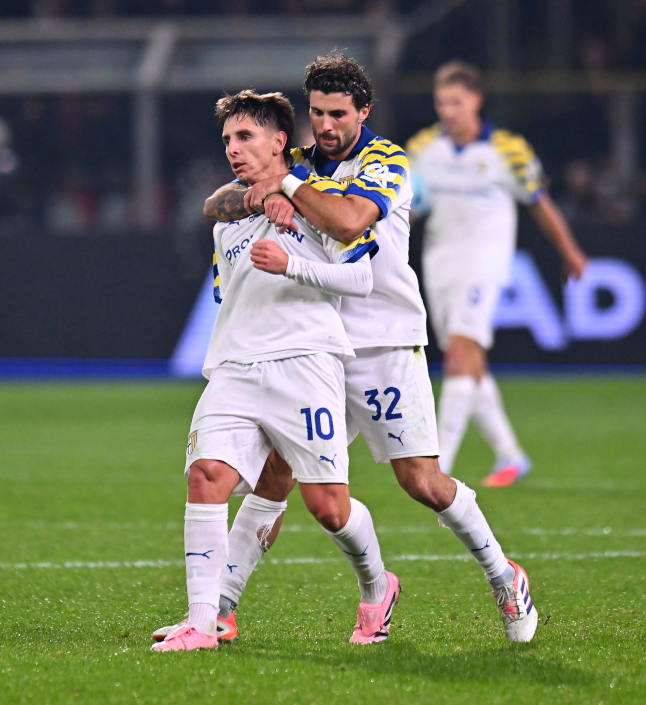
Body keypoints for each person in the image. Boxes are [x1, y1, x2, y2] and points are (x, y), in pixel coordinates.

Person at [158, 53, 537, 646]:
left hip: (381, 340)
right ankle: (219, 609)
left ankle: (502, 573)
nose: (327, 126)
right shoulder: (303, 162)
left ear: (363, 111)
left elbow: (349, 219)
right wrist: (263, 196)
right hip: (310, 346)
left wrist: (285, 187)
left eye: (339, 114)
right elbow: (217, 204)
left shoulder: (384, 160)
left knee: (421, 481)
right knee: (276, 480)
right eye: (317, 114)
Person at [153, 90, 392, 653]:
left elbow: (362, 280)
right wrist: (255, 201)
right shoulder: (230, 210)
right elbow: (215, 209)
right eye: (228, 140)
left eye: (245, 137)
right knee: (206, 475)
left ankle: (378, 585)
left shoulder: (322, 202)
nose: (233, 149)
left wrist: (295, 264)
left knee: (328, 506)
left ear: (280, 141)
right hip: (234, 364)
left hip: (305, 364)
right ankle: (202, 621)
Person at [408, 61, 587, 485]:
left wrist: (570, 251)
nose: (448, 110)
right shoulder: (423, 148)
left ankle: (439, 467)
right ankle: (510, 454)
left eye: (456, 101)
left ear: (476, 99)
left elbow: (539, 203)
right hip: (439, 264)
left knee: (458, 355)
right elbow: (407, 207)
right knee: (469, 361)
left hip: (484, 264)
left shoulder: (508, 149)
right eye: (441, 102)